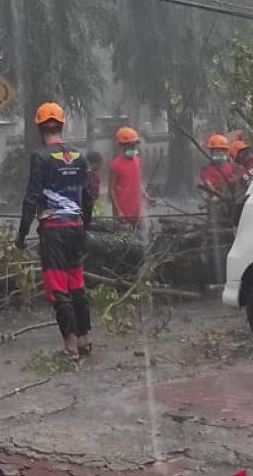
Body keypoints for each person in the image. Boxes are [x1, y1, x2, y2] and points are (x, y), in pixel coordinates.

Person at [15, 103, 94, 360]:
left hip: (54, 231)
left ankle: (70, 344)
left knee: (58, 288)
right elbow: (89, 197)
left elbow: (31, 197)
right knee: (77, 285)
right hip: (76, 227)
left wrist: (22, 234)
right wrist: (86, 225)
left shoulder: (41, 157)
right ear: (61, 125)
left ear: (40, 127)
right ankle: (84, 339)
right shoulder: (79, 156)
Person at [109, 126, 156, 230]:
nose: (133, 148)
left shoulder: (137, 161)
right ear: (121, 146)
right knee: (124, 240)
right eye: (130, 146)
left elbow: (138, 184)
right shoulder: (116, 165)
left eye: (134, 145)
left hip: (137, 211)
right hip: (123, 212)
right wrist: (118, 211)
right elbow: (111, 189)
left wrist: (147, 198)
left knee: (141, 238)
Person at [199, 133, 244, 201]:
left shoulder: (234, 167)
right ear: (211, 152)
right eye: (217, 150)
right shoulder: (206, 171)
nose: (221, 153)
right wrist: (215, 195)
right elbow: (208, 185)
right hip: (216, 205)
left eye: (223, 150)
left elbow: (242, 180)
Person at [87, 151, 106, 221]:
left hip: (95, 202)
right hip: (89, 203)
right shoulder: (88, 175)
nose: (100, 166)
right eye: (99, 164)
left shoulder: (95, 175)